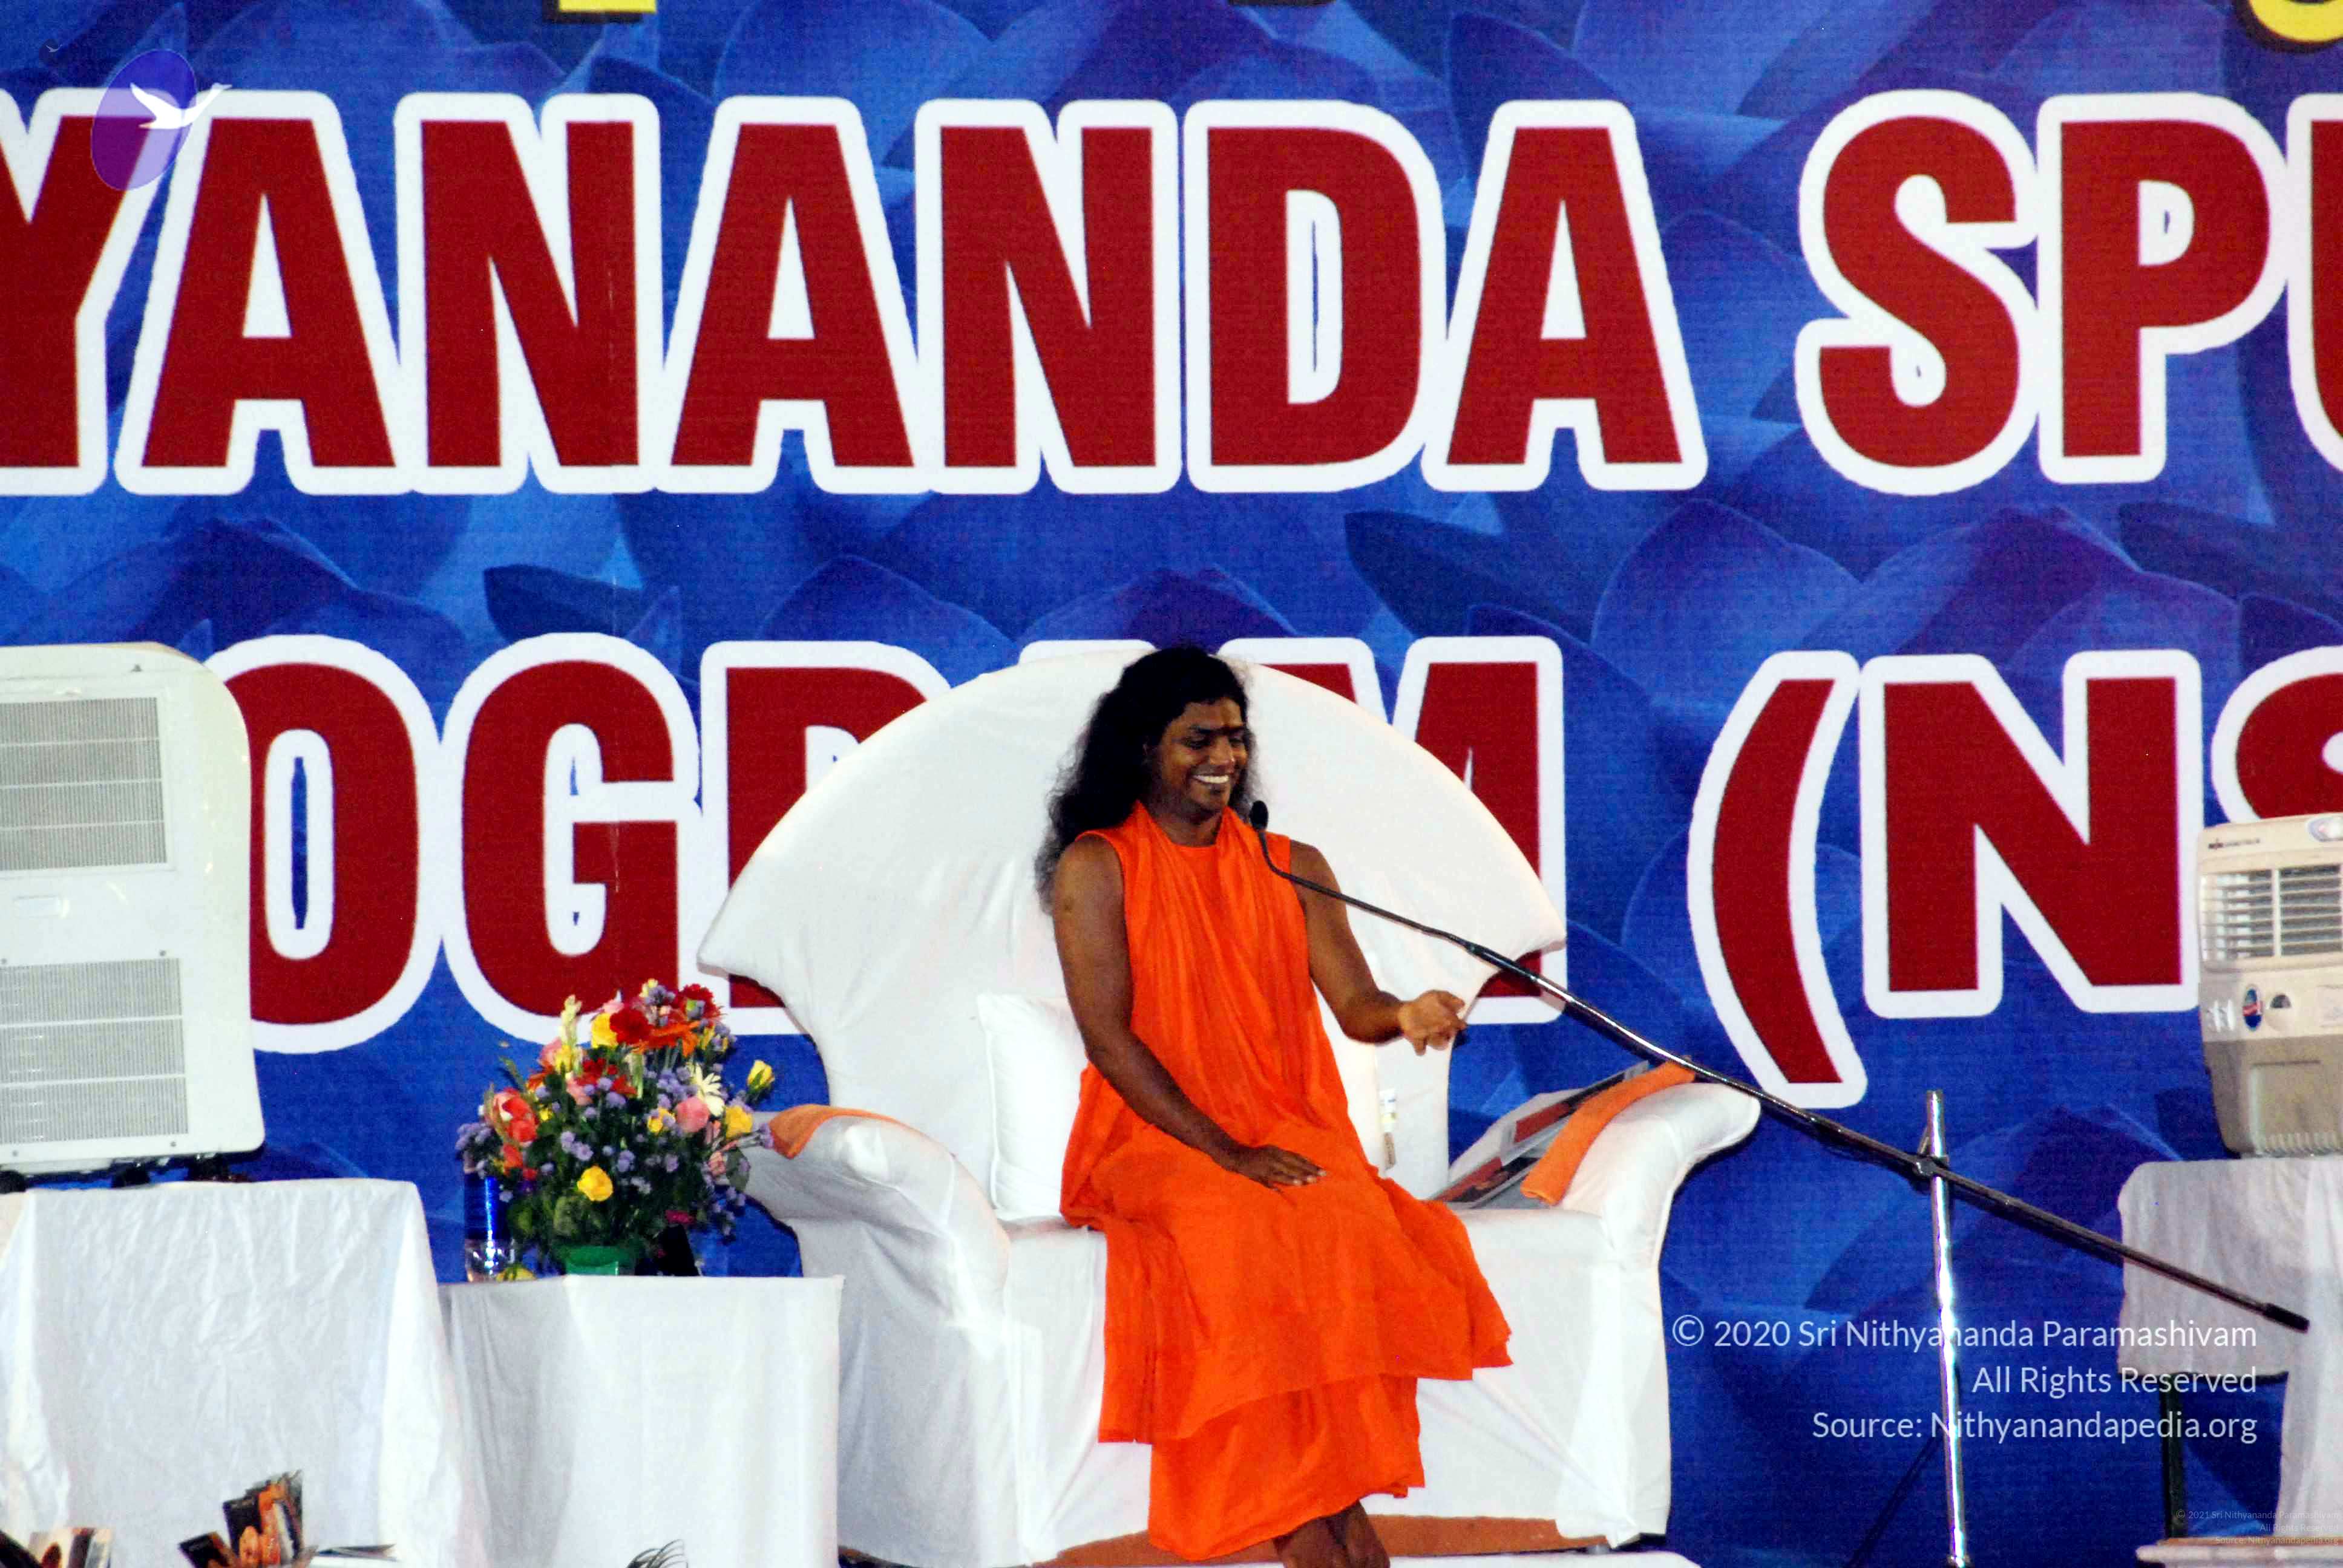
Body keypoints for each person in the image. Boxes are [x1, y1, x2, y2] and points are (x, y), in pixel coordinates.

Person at [1042, 648, 1512, 1568]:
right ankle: (1306, 1521)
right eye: (1198, 739)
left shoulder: (1292, 865)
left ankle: (1331, 1497)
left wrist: (1406, 1014)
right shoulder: (1097, 867)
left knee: (1347, 1218)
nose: (1225, 756)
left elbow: (1357, 1005)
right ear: (1143, 749)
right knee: (1239, 1227)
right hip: (1152, 1138)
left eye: (1236, 737)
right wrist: (1227, 1152)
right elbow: (1109, 1041)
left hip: (1282, 1122)